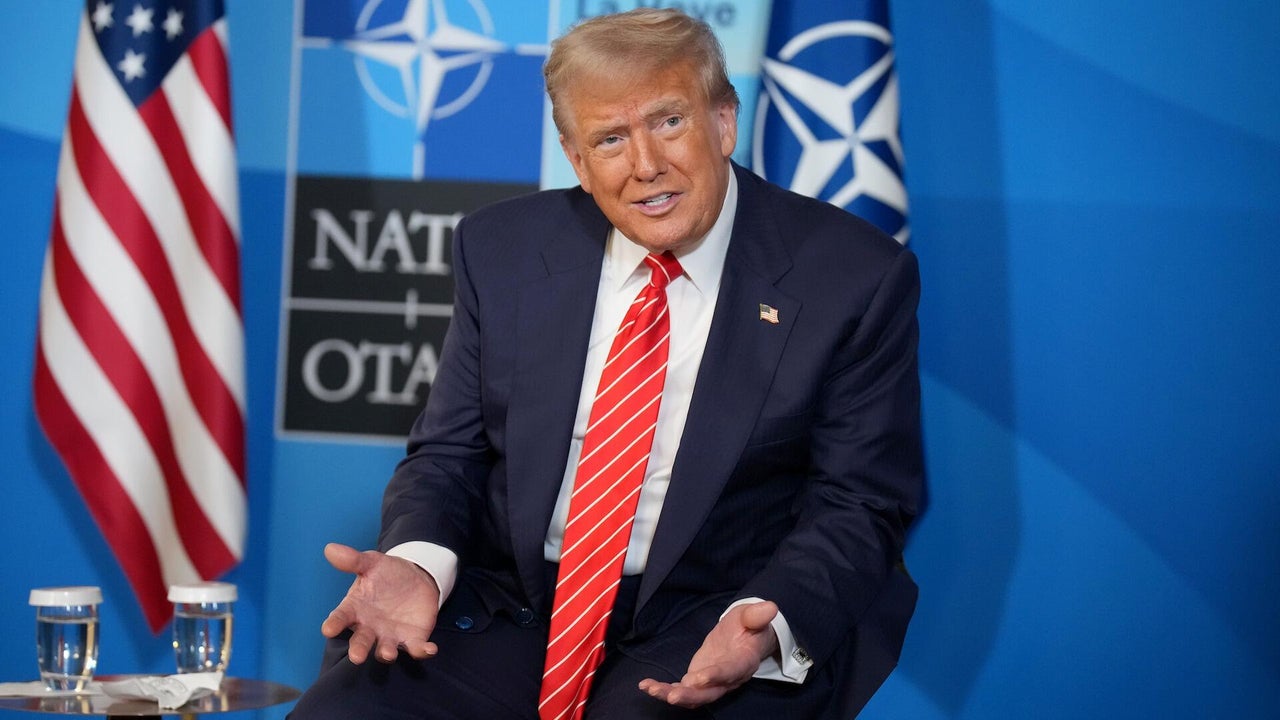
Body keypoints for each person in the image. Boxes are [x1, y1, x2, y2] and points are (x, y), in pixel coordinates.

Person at [289, 8, 923, 720]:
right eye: (611, 139)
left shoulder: (852, 276)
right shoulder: (502, 249)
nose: (646, 165)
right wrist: (418, 560)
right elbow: (449, 453)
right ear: (576, 159)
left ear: (723, 122)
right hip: (516, 605)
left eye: (669, 122)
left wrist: (767, 622)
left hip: (715, 612)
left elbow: (860, 502)